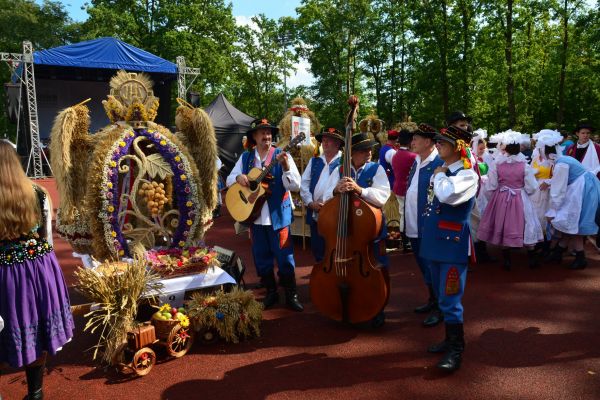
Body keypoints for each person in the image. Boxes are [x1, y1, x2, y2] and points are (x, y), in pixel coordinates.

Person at [0, 140, 74, 400]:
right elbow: (47, 239)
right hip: (40, 268)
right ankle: (36, 392)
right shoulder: (39, 193)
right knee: (40, 329)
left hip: (6, 273)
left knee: (6, 330)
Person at [226, 118, 303, 311]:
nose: (266, 136)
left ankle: (291, 293)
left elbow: (295, 185)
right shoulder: (245, 158)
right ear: (254, 136)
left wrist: (285, 167)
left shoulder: (281, 154)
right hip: (255, 216)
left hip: (278, 215)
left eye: (269, 132)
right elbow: (228, 179)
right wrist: (239, 177)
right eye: (262, 133)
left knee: (285, 257)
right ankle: (271, 292)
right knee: (261, 257)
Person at [420, 125, 478, 372]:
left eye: (443, 141)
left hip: (452, 247)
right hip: (434, 242)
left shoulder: (467, 175)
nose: (438, 144)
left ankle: (457, 350)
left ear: (459, 148)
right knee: (441, 296)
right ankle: (448, 340)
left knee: (451, 299)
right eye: (439, 140)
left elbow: (447, 195)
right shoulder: (441, 171)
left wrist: (441, 174)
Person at [323, 131, 391, 327]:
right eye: (363, 150)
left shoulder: (376, 169)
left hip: (370, 231)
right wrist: (336, 190)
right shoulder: (340, 169)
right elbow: (325, 194)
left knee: (379, 267)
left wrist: (360, 190)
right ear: (351, 153)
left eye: (370, 149)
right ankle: (344, 306)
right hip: (344, 233)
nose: (369, 153)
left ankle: (378, 307)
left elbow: (382, 196)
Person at [477, 130, 543, 269]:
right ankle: (531, 258)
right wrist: (526, 192)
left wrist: (493, 199)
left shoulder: (497, 164)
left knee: (503, 224)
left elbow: (491, 185)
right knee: (526, 223)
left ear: (505, 148)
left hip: (501, 197)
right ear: (519, 148)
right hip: (520, 196)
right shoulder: (524, 165)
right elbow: (531, 187)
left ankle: (507, 260)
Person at [405, 124, 444, 327]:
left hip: (428, 225)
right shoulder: (417, 161)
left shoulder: (439, 162)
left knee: (432, 266)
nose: (412, 142)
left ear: (428, 142)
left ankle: (440, 307)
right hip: (414, 224)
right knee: (423, 265)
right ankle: (432, 299)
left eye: (416, 139)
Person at [545, 148, 600, 269]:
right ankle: (558, 252)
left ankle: (580, 258)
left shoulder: (561, 164)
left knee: (574, 223)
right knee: (569, 223)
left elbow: (559, 189)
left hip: (582, 191)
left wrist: (553, 210)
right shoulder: (563, 159)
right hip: (584, 189)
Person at [300, 127, 344, 262]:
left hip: (335, 213)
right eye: (323, 140)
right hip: (315, 211)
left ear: (337, 144)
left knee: (335, 249)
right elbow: (304, 185)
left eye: (329, 141)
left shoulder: (345, 162)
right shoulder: (315, 161)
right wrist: (310, 202)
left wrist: (327, 204)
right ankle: (321, 278)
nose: (325, 143)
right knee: (318, 249)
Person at [530, 129, 563, 256]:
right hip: (536, 190)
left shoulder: (555, 159)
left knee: (548, 216)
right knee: (537, 216)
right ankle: (540, 241)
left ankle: (549, 245)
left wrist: (548, 182)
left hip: (550, 191)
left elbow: (559, 176)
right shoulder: (536, 158)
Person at [391, 129, 417, 253]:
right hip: (407, 189)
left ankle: (404, 241)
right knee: (408, 216)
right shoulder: (413, 156)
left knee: (402, 215)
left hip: (397, 187)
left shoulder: (395, 154)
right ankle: (407, 243)